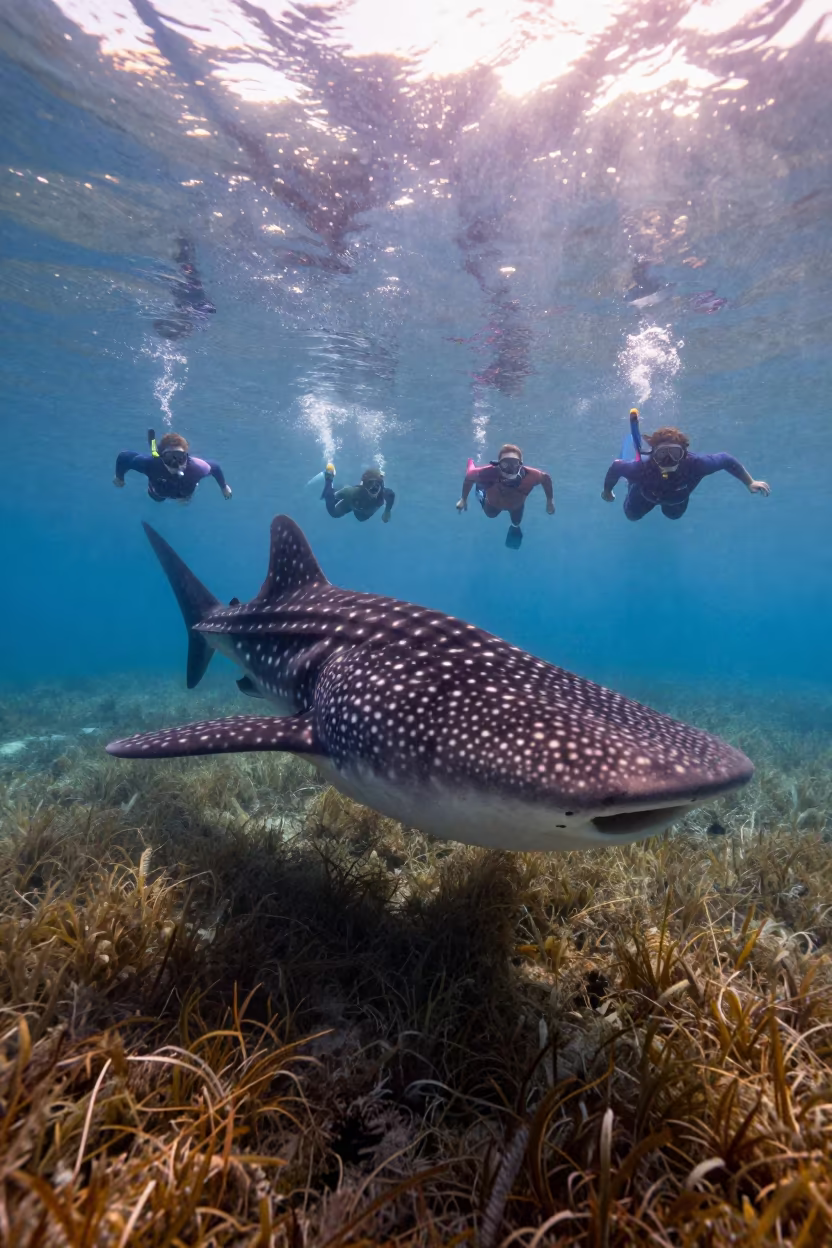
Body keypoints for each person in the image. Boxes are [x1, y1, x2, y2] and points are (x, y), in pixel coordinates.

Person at [602, 421, 770, 521]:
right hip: (644, 493)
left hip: (675, 499)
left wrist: (750, 482)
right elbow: (617, 466)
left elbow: (726, 459)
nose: (668, 460)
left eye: (674, 454)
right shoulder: (641, 468)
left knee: (673, 516)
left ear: (684, 454)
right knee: (632, 516)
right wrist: (607, 491)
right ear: (653, 454)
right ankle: (630, 484)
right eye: (662, 454)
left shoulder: (696, 464)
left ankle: (635, 484)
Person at [456, 443, 554, 549]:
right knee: (491, 514)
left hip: (516, 506)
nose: (510, 469)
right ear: (498, 464)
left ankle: (514, 531)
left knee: (516, 522)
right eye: (505, 464)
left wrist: (550, 500)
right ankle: (479, 485)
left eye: (514, 464)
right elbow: (469, 476)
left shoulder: (531, 476)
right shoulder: (488, 473)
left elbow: (546, 479)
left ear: (521, 465)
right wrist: (463, 499)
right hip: (492, 504)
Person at [114, 430, 232, 504]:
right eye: (169, 459)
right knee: (157, 499)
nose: (177, 465)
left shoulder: (197, 467)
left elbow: (215, 467)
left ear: (187, 455)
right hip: (158, 492)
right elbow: (124, 457)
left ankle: (187, 494)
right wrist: (119, 477)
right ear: (161, 458)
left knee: (185, 499)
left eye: (180, 457)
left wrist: (224, 487)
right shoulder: (150, 464)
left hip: (185, 492)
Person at [321, 463, 394, 523]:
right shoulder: (350, 492)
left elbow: (391, 497)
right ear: (364, 484)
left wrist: (387, 511)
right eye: (370, 483)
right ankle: (329, 477)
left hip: (361, 514)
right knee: (334, 512)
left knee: (361, 518)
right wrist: (329, 493)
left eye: (378, 483)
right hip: (351, 503)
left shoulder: (385, 494)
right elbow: (334, 496)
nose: (374, 486)